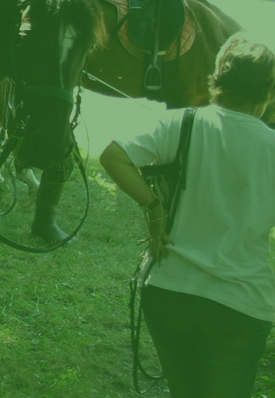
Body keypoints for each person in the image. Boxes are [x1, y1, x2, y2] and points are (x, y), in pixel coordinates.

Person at [99, 32, 275, 398]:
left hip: (169, 290)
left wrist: (153, 206)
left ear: (217, 80)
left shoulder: (181, 123)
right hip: (241, 304)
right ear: (268, 92)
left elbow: (113, 156)